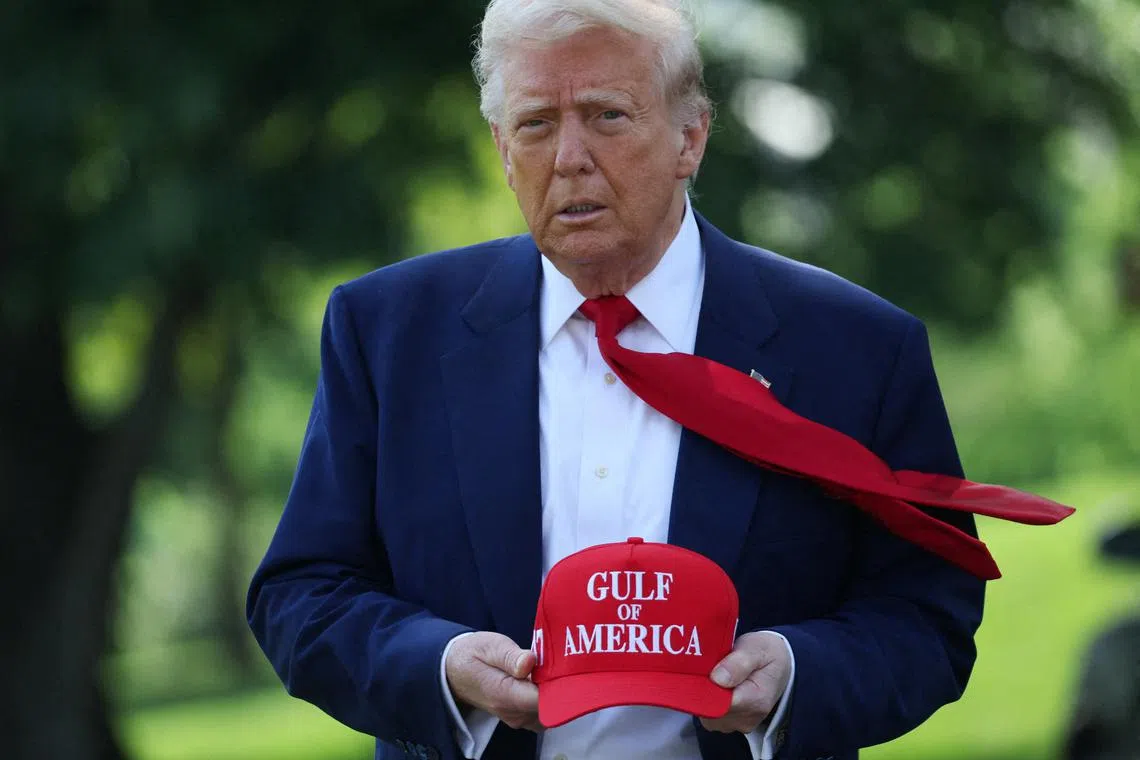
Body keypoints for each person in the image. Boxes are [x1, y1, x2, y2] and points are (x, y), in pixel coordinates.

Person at [246, 1, 986, 758]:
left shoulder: (856, 347)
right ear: (503, 149)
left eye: (607, 115)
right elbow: (301, 594)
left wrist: (799, 673)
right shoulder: (386, 332)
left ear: (689, 137)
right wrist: (437, 664)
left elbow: (928, 612)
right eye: (536, 123)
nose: (569, 156)